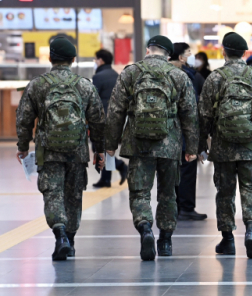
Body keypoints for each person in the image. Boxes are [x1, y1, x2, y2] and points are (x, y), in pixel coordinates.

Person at [105, 35, 199, 261]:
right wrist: (192, 147)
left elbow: (115, 110)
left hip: (139, 144)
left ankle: (145, 228)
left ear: (148, 50)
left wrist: (110, 144)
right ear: (168, 54)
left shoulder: (130, 72)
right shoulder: (178, 75)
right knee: (168, 193)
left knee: (140, 192)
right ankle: (165, 240)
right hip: (170, 143)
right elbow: (190, 114)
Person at [16, 37, 105, 261]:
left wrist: (23, 146)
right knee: (74, 196)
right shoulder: (84, 85)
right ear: (73, 60)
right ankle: (71, 241)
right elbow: (97, 121)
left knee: (52, 194)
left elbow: (24, 119)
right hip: (77, 151)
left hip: (49, 150)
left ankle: (61, 235)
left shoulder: (38, 84)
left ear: (50, 58)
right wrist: (100, 150)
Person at [198, 32, 252, 258]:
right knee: (251, 189)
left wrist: (201, 145)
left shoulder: (215, 78)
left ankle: (228, 240)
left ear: (224, 51)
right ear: (245, 53)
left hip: (223, 147)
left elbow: (203, 114)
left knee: (225, 193)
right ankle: (251, 232)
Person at [170, 42, 207, 221]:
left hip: (166, 133)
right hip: (184, 132)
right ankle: (186, 207)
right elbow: (192, 108)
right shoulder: (185, 76)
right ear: (180, 57)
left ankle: (174, 208)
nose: (191, 55)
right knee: (187, 170)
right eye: (188, 52)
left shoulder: (163, 73)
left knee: (171, 171)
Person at [92, 49, 129, 188]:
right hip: (115, 118)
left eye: (96, 59)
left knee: (99, 147)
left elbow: (93, 100)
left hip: (101, 119)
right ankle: (105, 179)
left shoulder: (98, 76)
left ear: (101, 60)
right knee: (106, 147)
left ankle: (120, 166)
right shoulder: (116, 75)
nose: (95, 62)